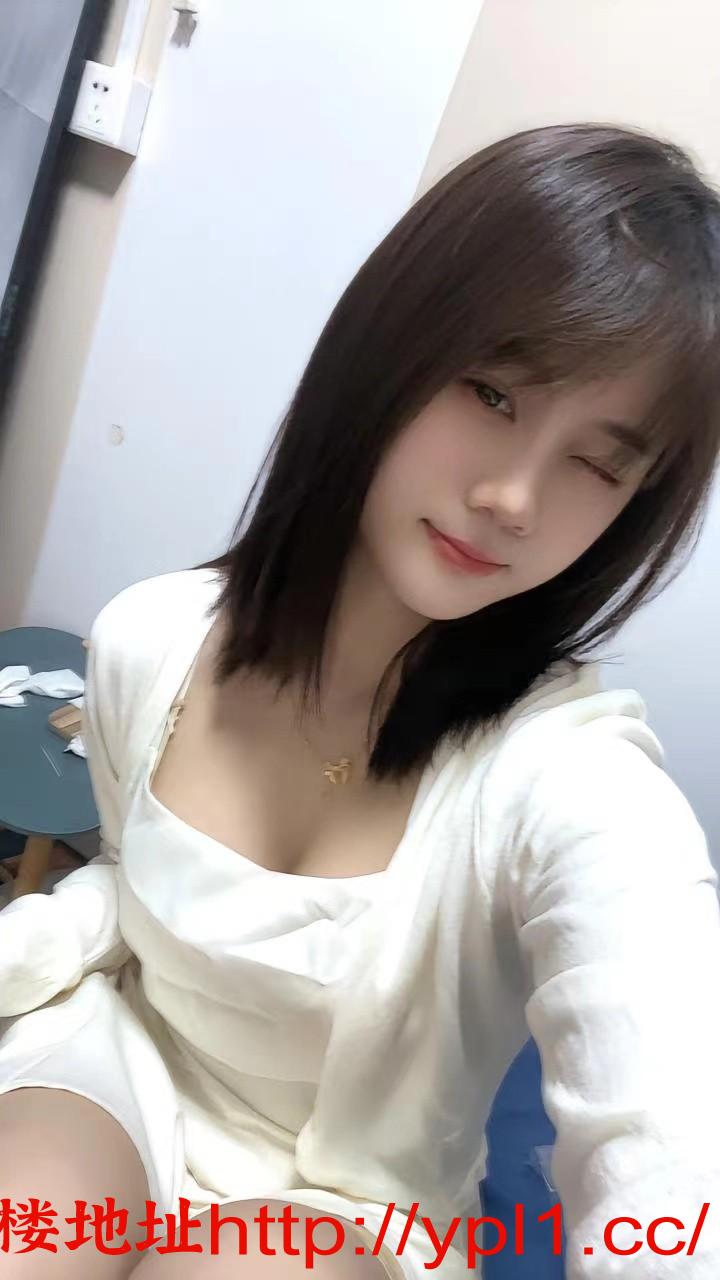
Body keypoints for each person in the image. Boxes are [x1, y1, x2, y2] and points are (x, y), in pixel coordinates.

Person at [1, 123, 720, 1280]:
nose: (513, 495)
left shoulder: (568, 780)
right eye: (492, 391)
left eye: (599, 462)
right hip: (121, 1063)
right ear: (393, 342)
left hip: (355, 1204)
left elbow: (671, 1129)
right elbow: (127, 901)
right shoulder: (150, 640)